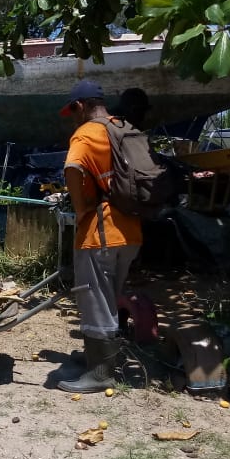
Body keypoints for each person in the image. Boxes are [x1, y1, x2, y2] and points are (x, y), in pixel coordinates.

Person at [56, 80, 142, 392]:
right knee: (108, 297)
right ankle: (97, 359)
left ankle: (101, 373)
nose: (72, 118)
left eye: (72, 112)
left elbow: (73, 166)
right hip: (130, 231)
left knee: (95, 301)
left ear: (81, 106)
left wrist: (80, 210)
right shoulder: (124, 128)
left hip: (100, 231)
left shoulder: (87, 132)